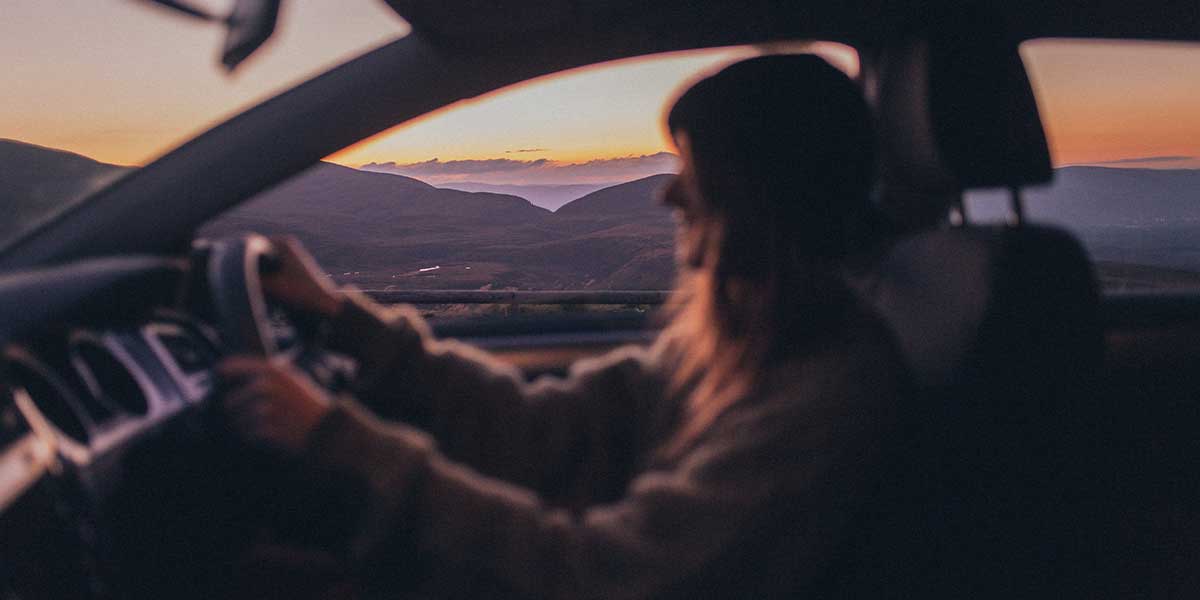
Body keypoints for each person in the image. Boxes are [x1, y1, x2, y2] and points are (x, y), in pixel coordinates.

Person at [218, 54, 905, 599]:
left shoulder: (823, 401)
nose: (667, 193)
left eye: (693, 172)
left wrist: (337, 437)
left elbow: (597, 576)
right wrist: (347, 322)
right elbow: (544, 426)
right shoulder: (744, 340)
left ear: (759, 199)